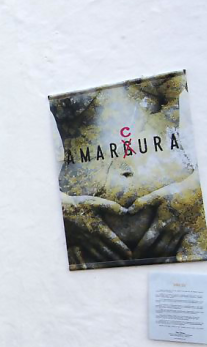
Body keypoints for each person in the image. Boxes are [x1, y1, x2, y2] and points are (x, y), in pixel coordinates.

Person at [50, 71, 207, 269]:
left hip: (182, 233)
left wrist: (192, 194)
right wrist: (66, 212)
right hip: (86, 246)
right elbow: (15, 157)